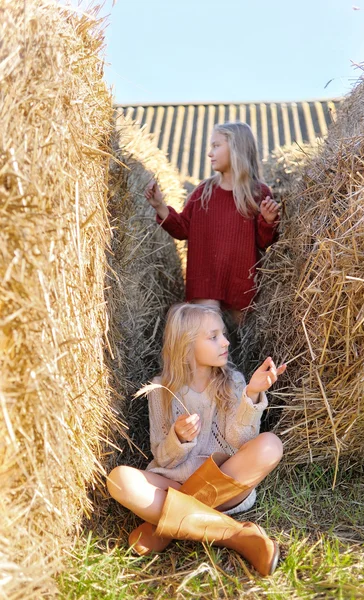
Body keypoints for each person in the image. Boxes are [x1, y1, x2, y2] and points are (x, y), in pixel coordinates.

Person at [107, 303, 286, 577]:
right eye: (213, 337)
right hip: (175, 481)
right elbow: (162, 456)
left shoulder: (234, 382)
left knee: (270, 444)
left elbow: (240, 442)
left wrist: (250, 395)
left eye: (222, 334)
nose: (225, 342)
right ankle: (236, 535)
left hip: (223, 485)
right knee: (119, 479)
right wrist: (177, 438)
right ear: (186, 345)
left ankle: (166, 526)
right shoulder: (161, 390)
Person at [144, 122, 280, 325]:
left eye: (216, 146)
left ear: (236, 148)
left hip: (242, 286)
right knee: (208, 338)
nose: (209, 153)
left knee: (240, 346)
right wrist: (160, 206)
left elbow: (263, 242)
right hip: (205, 283)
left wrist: (268, 221)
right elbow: (182, 228)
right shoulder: (204, 191)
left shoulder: (258, 193)